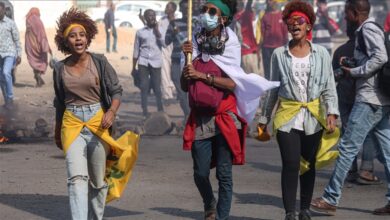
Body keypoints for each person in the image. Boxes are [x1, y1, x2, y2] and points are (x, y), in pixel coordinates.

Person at [181, 0, 279, 219]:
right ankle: (209, 202)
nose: (206, 14)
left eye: (212, 11)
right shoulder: (192, 43)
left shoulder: (231, 43)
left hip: (225, 116)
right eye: (204, 10)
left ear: (223, 19)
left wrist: (202, 76)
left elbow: (234, 83)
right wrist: (186, 61)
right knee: (200, 173)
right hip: (200, 119)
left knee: (224, 174)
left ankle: (222, 216)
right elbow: (184, 85)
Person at [257, 1, 339, 219]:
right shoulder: (278, 55)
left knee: (308, 165)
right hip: (287, 117)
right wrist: (264, 118)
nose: (294, 25)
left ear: (308, 25)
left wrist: (331, 112)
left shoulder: (321, 53)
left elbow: (329, 86)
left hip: (314, 116)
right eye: (290, 21)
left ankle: (304, 209)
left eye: (299, 21)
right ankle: (290, 212)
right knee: (291, 163)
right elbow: (273, 89)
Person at [311, 0, 390, 216]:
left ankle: (330, 197)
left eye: (347, 14)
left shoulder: (367, 29)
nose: (345, 19)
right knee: (387, 152)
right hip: (380, 99)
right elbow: (374, 57)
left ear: (355, 13)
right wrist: (354, 63)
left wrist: (356, 72)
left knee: (346, 148)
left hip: (369, 98)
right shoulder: (373, 29)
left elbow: (380, 57)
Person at [53, 8, 123, 219]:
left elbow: (116, 91)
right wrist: (57, 131)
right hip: (71, 122)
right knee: (76, 178)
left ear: (88, 37)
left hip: (97, 121)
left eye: (81, 35)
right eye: (73, 36)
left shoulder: (99, 62)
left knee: (98, 180)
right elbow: (60, 102)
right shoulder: (59, 68)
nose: (78, 39)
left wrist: (111, 111)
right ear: (66, 42)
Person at [333, 23, 380, 185]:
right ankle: (366, 170)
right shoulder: (368, 51)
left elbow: (333, 76)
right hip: (362, 96)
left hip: (345, 96)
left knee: (347, 133)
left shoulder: (340, 51)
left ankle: (351, 170)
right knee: (366, 133)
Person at [132, 9, 164, 118]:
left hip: (156, 62)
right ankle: (144, 110)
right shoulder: (140, 32)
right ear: (145, 18)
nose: (152, 18)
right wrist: (133, 67)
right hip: (143, 61)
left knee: (157, 87)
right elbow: (136, 49)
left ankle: (160, 109)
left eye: (154, 15)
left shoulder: (160, 29)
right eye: (149, 16)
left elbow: (164, 44)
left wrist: (157, 31)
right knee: (144, 86)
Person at [165, 0, 192, 120]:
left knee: (192, 89)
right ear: (181, 10)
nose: (186, 11)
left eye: (188, 8)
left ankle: (192, 114)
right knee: (180, 90)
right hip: (176, 59)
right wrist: (173, 30)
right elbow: (167, 41)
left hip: (191, 60)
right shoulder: (174, 23)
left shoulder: (196, 23)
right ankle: (188, 114)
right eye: (184, 8)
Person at [257, 0, 288, 80]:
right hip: (267, 48)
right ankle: (270, 90)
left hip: (280, 48)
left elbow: (285, 33)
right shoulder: (265, 16)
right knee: (268, 71)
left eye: (271, 1)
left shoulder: (282, 16)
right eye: (269, 1)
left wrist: (287, 47)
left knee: (280, 70)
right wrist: (259, 48)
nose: (270, 2)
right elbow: (262, 33)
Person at [0, 1, 21, 109]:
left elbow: (17, 39)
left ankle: (10, 97)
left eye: (0, 10)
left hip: (9, 53)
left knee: (6, 72)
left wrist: (19, 54)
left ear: (4, 10)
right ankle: (6, 100)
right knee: (1, 78)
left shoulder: (10, 23)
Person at [25, 7, 52, 87]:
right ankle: (38, 77)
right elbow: (41, 34)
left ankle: (38, 78)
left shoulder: (28, 20)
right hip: (38, 45)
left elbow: (28, 33)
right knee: (40, 61)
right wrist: (46, 46)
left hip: (30, 46)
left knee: (34, 61)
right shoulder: (38, 21)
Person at [234, 0, 261, 75]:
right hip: (247, 53)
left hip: (249, 52)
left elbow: (248, 6)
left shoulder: (241, 16)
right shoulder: (243, 16)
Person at [159, 1, 177, 104]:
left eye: (168, 7)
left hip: (175, 49)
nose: (166, 9)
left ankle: (176, 91)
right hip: (164, 49)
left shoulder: (177, 20)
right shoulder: (162, 20)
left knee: (175, 73)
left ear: (173, 9)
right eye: (166, 7)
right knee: (165, 72)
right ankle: (167, 96)